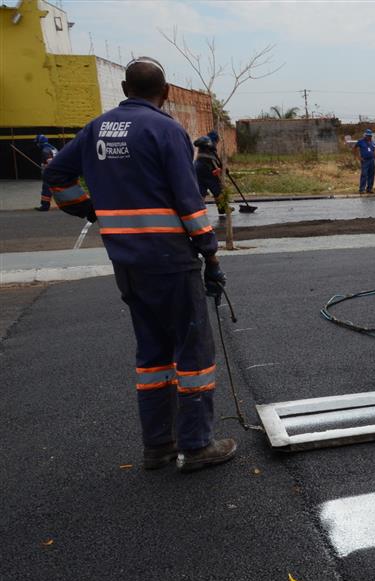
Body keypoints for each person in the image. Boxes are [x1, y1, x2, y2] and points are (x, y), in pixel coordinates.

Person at [43, 56, 236, 472]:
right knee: (193, 351)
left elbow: (57, 173)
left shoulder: (97, 127)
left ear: (126, 91)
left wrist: (88, 208)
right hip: (169, 261)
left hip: (127, 263)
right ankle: (197, 445)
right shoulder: (165, 129)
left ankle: (158, 446)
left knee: (152, 353)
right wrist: (211, 254)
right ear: (164, 93)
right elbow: (188, 200)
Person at [193, 135, 230, 216]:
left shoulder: (203, 147)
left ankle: (198, 211)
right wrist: (224, 170)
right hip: (207, 170)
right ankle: (222, 208)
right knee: (217, 189)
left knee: (201, 191)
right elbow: (216, 161)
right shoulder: (211, 149)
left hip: (197, 169)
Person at [35, 134, 58, 211]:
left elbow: (50, 163)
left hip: (50, 173)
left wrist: (45, 169)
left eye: (37, 142)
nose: (37, 144)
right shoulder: (53, 148)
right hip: (57, 171)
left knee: (46, 189)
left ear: (40, 142)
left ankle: (45, 206)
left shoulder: (45, 150)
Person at [355, 128, 375, 193]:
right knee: (364, 174)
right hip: (365, 161)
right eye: (368, 136)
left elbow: (374, 151)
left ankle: (369, 188)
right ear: (365, 135)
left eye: (370, 136)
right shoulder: (360, 141)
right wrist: (358, 157)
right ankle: (362, 189)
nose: (369, 137)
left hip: (372, 160)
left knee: (371, 174)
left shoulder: (372, 142)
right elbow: (354, 148)